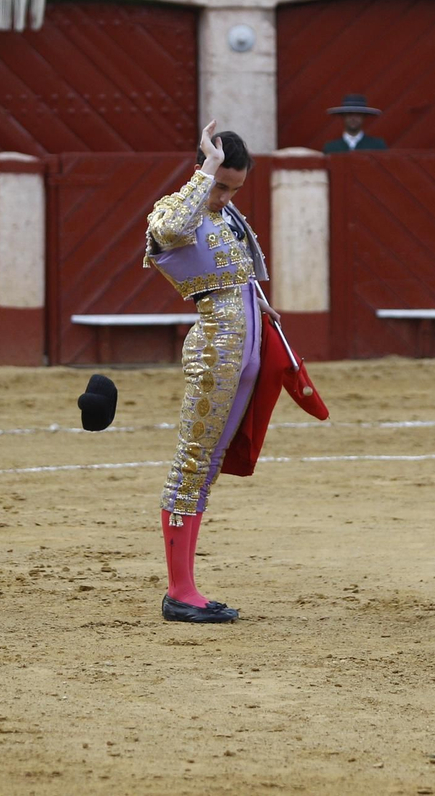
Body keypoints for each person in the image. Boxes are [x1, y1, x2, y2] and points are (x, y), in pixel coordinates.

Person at [145, 120, 279, 624]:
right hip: (217, 349)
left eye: (233, 188)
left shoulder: (226, 217)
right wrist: (206, 171)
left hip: (245, 348)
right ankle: (180, 590)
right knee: (192, 464)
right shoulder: (178, 208)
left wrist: (264, 316)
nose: (224, 196)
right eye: (221, 185)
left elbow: (248, 277)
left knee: (208, 467)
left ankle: (187, 586)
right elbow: (170, 232)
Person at [322, 94, 387, 153]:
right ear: (343, 116)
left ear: (364, 117)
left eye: (358, 114)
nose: (353, 118)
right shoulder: (331, 148)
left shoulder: (377, 146)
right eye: (349, 114)